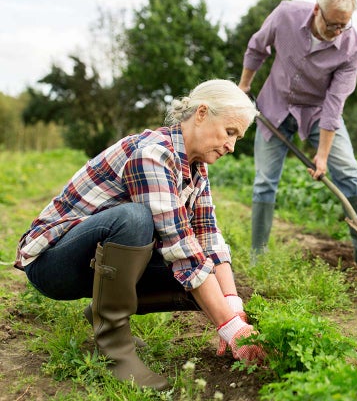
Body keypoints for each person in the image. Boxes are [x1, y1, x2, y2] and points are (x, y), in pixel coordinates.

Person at [15, 79, 266, 390]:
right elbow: (181, 249)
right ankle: (114, 347)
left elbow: (208, 237)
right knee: (135, 219)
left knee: (206, 281)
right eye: (230, 132)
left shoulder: (196, 170)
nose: (232, 146)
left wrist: (234, 312)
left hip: (94, 262)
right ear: (202, 113)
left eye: (238, 138)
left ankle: (102, 312)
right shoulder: (152, 154)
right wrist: (228, 327)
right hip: (53, 263)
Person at [238, 0, 357, 270]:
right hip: (275, 104)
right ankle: (257, 255)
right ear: (316, 10)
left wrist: (322, 154)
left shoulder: (352, 48)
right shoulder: (286, 14)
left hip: (318, 112)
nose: (337, 31)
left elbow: (335, 104)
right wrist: (244, 86)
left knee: (348, 173)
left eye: (343, 26)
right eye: (332, 24)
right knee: (264, 181)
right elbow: (257, 47)